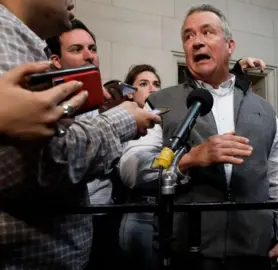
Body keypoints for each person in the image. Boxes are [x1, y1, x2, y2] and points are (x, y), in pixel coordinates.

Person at [119, 4, 278, 270]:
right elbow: (130, 168)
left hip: (255, 250)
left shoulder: (266, 110)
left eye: (207, 32)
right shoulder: (159, 103)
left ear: (230, 45)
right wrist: (187, 160)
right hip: (188, 251)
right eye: (188, 36)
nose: (196, 42)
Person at [0, 1, 160, 269]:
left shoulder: (22, 40)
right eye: (77, 49)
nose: (73, 0)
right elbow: (42, 160)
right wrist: (122, 120)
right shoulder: (5, 36)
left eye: (92, 49)